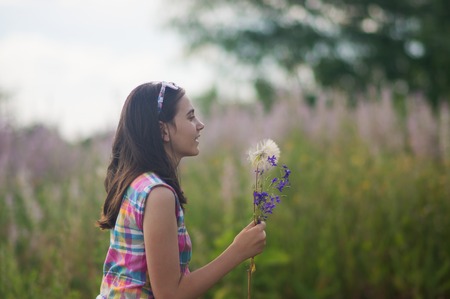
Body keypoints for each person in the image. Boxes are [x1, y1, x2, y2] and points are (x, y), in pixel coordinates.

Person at [96, 81, 267, 299]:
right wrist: (238, 251)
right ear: (162, 129)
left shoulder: (138, 183)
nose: (200, 124)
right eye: (190, 117)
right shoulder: (157, 194)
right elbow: (170, 294)